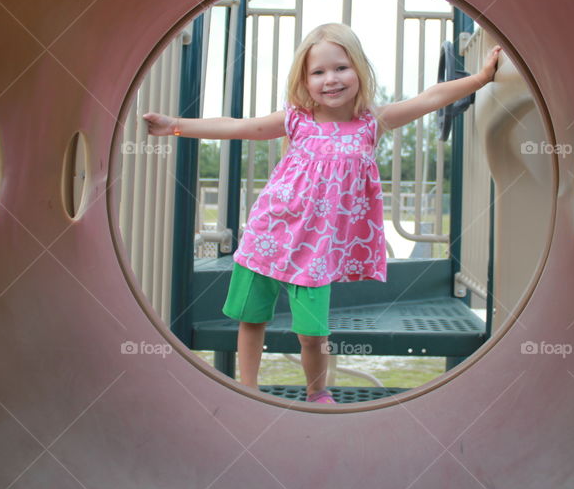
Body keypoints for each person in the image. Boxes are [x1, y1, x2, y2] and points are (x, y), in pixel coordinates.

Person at [143, 23, 501, 404]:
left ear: (359, 70)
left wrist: (480, 78)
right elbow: (239, 127)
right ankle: (247, 390)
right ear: (305, 80)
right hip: (271, 232)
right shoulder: (297, 119)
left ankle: (316, 391)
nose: (330, 79)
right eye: (318, 72)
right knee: (252, 317)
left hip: (317, 247)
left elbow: (431, 98)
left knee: (313, 333)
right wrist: (176, 126)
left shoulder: (370, 122)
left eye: (340, 68)